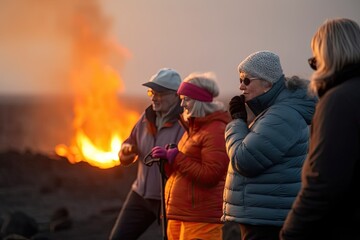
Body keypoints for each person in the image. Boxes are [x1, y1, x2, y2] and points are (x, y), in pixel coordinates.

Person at [222, 51, 317, 240]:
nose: (241, 86)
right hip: (265, 213)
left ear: (267, 83)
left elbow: (245, 160)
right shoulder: (275, 112)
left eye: (246, 80)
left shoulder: (282, 115)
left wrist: (237, 122)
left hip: (267, 220)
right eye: (240, 79)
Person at [280, 18, 360, 240]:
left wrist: (291, 231)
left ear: (327, 56)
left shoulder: (339, 101)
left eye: (315, 59)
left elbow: (323, 181)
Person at [151, 72, 231, 240]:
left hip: (200, 221)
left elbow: (211, 174)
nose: (182, 104)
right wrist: (167, 160)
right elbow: (182, 171)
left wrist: (177, 158)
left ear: (198, 101)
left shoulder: (216, 130)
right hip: (181, 216)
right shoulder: (194, 129)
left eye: (185, 99)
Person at [109, 68, 185, 240]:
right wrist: (126, 152)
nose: (153, 97)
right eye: (152, 91)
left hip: (170, 200)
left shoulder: (185, 124)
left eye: (160, 93)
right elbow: (130, 143)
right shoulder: (146, 118)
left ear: (176, 95)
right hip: (140, 195)